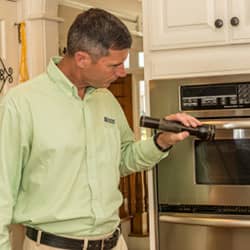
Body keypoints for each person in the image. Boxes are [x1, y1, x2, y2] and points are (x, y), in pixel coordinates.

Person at [0, 8, 202, 250]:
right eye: (114, 65)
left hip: (114, 242)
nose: (122, 72)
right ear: (82, 58)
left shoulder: (106, 99)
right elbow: (2, 190)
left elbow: (124, 158)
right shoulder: (21, 103)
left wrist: (162, 141)